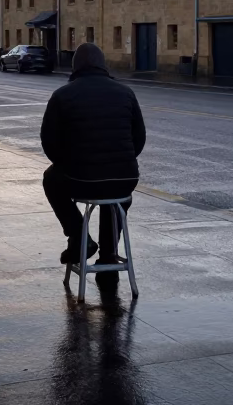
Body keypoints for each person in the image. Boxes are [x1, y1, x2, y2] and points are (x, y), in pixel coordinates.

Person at [41, 42, 145, 284]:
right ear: (103, 65)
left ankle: (79, 237)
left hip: (81, 178)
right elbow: (139, 138)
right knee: (118, 197)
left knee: (51, 179)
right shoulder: (126, 92)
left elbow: (49, 142)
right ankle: (108, 255)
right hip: (125, 177)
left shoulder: (62, 95)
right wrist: (121, 159)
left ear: (75, 66)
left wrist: (66, 163)